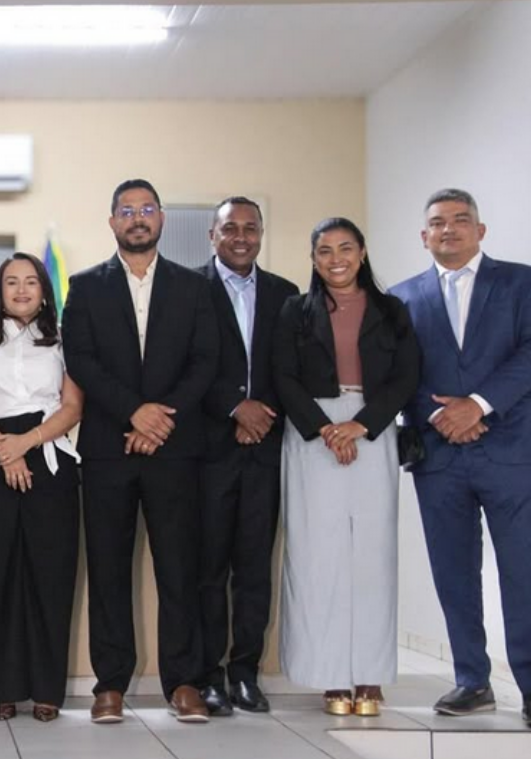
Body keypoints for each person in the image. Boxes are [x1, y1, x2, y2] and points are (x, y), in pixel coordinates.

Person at [62, 178, 217, 724]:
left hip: (175, 448)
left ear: (161, 219)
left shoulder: (193, 287)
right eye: (126, 211)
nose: (137, 218)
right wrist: (134, 412)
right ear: (112, 222)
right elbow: (81, 359)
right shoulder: (85, 286)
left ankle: (184, 683)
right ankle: (110, 685)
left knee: (179, 568)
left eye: (146, 209)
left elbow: (205, 360)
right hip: (109, 448)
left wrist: (159, 419)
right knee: (108, 569)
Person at [390, 189, 531, 726]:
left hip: (511, 452)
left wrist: (478, 404)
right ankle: (472, 680)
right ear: (424, 235)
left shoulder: (520, 283)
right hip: (439, 455)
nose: (448, 229)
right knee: (453, 573)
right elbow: (397, 373)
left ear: (480, 230)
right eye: (437, 222)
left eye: (460, 219)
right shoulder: (402, 298)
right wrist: (439, 415)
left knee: (523, 572)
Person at [273, 217, 419, 717]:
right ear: (313, 259)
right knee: (318, 556)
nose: (336, 259)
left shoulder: (392, 310)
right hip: (312, 433)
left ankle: (369, 676)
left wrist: (361, 425)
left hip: (372, 430)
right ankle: (331, 675)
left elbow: (407, 375)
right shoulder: (294, 310)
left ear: (362, 252)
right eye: (325, 251)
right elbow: (282, 376)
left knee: (372, 556)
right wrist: (324, 428)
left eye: (345, 248)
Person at [0, 252, 83, 722]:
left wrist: (25, 443)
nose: (21, 290)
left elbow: (72, 406)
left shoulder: (64, 338)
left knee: (51, 576)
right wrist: (4, 449)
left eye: (30, 281)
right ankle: (2, 690)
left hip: (49, 456)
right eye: (11, 282)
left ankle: (47, 691)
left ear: (44, 290)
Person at [195, 197, 299, 716]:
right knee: (208, 570)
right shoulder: (189, 289)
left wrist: (262, 414)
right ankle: (209, 676)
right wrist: (235, 407)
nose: (241, 237)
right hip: (208, 452)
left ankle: (245, 674)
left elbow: (292, 369)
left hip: (265, 449)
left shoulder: (286, 293)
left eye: (250, 228)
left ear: (261, 234)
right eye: (230, 228)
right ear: (212, 236)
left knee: (255, 569)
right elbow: (184, 364)